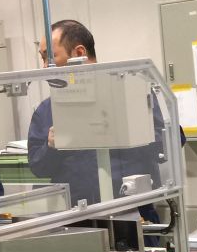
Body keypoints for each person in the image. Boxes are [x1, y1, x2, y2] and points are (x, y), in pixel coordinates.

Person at [27, 19, 172, 213]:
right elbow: (38, 167)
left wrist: (129, 129)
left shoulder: (133, 94)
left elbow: (167, 145)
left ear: (79, 53)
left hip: (134, 212)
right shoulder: (46, 111)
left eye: (50, 57)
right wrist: (51, 147)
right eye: (43, 58)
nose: (45, 67)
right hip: (78, 217)